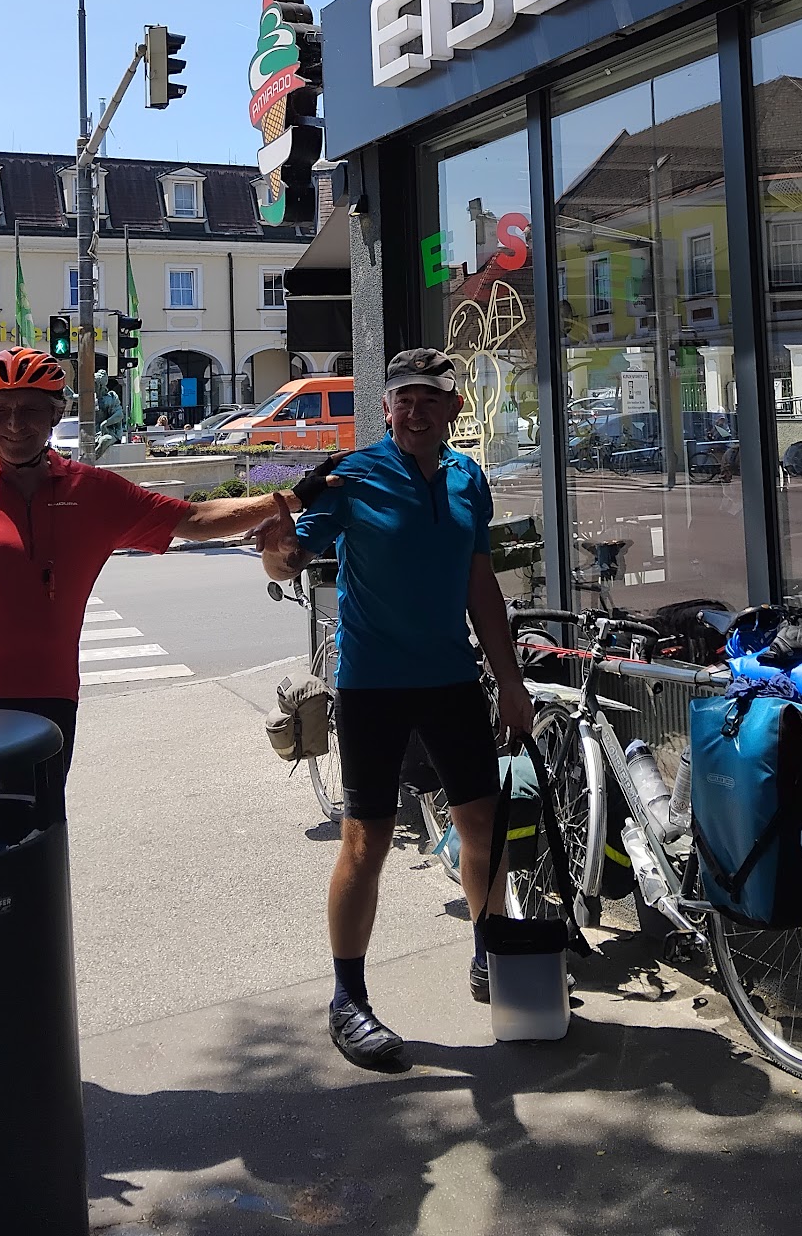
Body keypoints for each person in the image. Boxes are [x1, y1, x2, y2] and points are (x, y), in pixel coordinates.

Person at [259, 348, 534, 1073]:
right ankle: (347, 998)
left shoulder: (468, 479)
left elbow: (481, 587)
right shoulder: (352, 476)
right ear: (385, 409)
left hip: (451, 678)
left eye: (430, 398)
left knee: (482, 825)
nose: (416, 411)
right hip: (373, 685)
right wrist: (275, 549)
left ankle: (489, 947)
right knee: (366, 841)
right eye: (403, 399)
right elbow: (290, 559)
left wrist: (509, 681)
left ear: (453, 409)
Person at [0, 346, 291, 780]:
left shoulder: (92, 491)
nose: (14, 424)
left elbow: (196, 520)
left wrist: (297, 496)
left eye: (30, 410)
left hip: (46, 704)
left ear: (57, 413)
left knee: (34, 824)